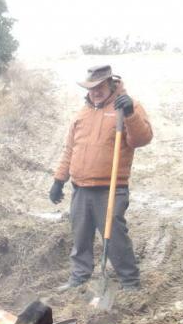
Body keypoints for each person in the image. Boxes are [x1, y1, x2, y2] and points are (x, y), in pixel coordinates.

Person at [48, 64, 153, 292]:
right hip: (81, 187)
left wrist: (130, 115)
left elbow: (142, 139)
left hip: (111, 187)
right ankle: (80, 276)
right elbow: (70, 149)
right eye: (91, 88)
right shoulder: (82, 113)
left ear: (110, 83)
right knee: (80, 233)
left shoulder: (127, 106)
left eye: (99, 87)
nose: (94, 92)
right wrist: (59, 180)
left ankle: (129, 280)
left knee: (114, 233)